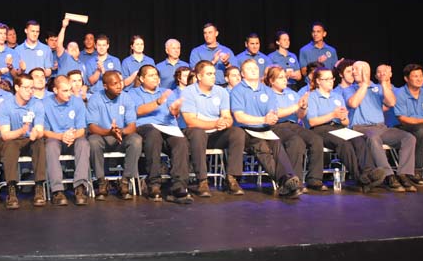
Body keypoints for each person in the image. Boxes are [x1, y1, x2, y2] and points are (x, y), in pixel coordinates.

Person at [230, 60, 304, 198]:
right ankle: (285, 181)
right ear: (242, 73)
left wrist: (271, 117)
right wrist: (263, 119)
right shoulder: (238, 91)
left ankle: (289, 179)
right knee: (262, 146)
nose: (253, 70)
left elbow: (272, 111)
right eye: (249, 68)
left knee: (276, 142)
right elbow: (239, 117)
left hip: (265, 129)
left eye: (255, 67)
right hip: (246, 130)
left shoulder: (266, 90)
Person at [306, 68, 387, 191]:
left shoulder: (337, 96)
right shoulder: (313, 96)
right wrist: (333, 115)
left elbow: (346, 122)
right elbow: (312, 122)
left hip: (338, 127)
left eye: (331, 78)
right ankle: (360, 178)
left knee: (359, 138)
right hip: (321, 129)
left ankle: (369, 173)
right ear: (318, 81)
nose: (330, 81)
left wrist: (343, 118)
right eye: (326, 79)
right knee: (343, 143)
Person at [343, 61, 418, 192]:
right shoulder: (349, 89)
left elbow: (391, 102)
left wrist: (383, 83)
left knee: (409, 138)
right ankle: (389, 175)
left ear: (365, 71)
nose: (353, 71)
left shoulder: (377, 88)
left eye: (355, 69)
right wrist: (364, 85)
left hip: (381, 127)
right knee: (373, 138)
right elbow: (354, 103)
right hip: (360, 128)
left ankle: (403, 174)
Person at [182, 60, 246, 198]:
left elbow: (227, 116)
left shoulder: (221, 92)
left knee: (237, 132)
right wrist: (215, 123)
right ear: (199, 76)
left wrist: (226, 123)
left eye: (214, 74)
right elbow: (190, 121)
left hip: (216, 134)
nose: (213, 77)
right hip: (195, 134)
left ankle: (232, 178)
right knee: (197, 133)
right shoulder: (188, 92)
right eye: (209, 74)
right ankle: (202, 181)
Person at [130, 65, 192, 203]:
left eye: (156, 75)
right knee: (153, 135)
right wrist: (158, 102)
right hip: (147, 126)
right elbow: (137, 111)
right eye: (151, 75)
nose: (155, 78)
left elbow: (173, 113)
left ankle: (179, 186)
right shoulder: (133, 93)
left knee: (181, 141)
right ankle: (154, 184)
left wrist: (175, 109)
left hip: (168, 127)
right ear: (141, 78)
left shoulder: (167, 92)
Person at [264, 66, 326, 191]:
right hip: (276, 126)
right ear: (271, 81)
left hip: (293, 124)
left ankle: (314, 179)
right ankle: (294, 181)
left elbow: (300, 115)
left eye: (285, 77)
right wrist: (296, 106)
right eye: (280, 78)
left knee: (316, 139)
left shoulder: (292, 94)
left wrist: (302, 107)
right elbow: (276, 113)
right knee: (295, 141)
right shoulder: (267, 94)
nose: (284, 80)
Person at [87, 71, 141, 201]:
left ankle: (125, 181)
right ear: (105, 86)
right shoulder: (95, 98)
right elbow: (92, 127)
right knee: (93, 141)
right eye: (115, 84)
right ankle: (101, 182)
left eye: (120, 83)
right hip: (103, 136)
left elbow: (132, 126)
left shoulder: (126, 98)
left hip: (121, 137)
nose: (119, 86)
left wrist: (120, 132)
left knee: (136, 140)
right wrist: (109, 132)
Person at [0, 74, 47, 209]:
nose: (30, 91)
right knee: (9, 146)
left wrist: (35, 133)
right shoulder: (6, 105)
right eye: (26, 88)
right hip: (13, 138)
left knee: (39, 143)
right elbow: (5, 135)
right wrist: (22, 130)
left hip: (30, 139)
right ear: (17, 87)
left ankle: (39, 187)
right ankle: (12, 189)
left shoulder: (37, 104)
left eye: (31, 88)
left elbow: (40, 129)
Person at [42, 76, 90, 206]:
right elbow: (44, 131)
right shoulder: (45, 104)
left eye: (70, 90)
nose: (69, 93)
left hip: (73, 138)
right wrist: (61, 136)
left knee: (84, 143)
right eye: (65, 91)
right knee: (50, 146)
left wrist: (72, 136)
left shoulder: (77, 102)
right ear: (55, 90)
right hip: (55, 138)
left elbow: (82, 129)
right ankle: (57, 190)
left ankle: (80, 187)